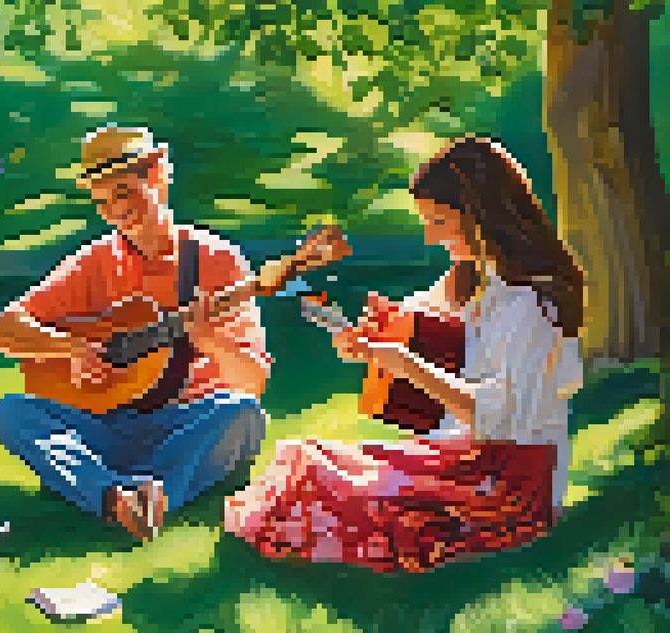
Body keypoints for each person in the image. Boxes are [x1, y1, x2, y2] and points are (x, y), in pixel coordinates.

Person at [225, 137, 586, 573]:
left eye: (439, 221)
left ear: (480, 216)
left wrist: (404, 362)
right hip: (464, 455)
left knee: (328, 490)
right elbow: (420, 315)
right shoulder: (475, 276)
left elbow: (503, 418)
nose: (431, 235)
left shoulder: (530, 302)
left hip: (508, 484)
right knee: (304, 459)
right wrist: (375, 333)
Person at [0, 126, 271, 539]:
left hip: (185, 425)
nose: (114, 210)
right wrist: (72, 349)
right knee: (12, 411)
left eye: (123, 192)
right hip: (103, 424)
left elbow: (253, 381)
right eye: (102, 201)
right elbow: (4, 329)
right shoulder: (93, 261)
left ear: (157, 176)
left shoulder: (218, 260)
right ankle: (121, 493)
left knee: (242, 415)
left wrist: (209, 340)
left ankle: (123, 493)